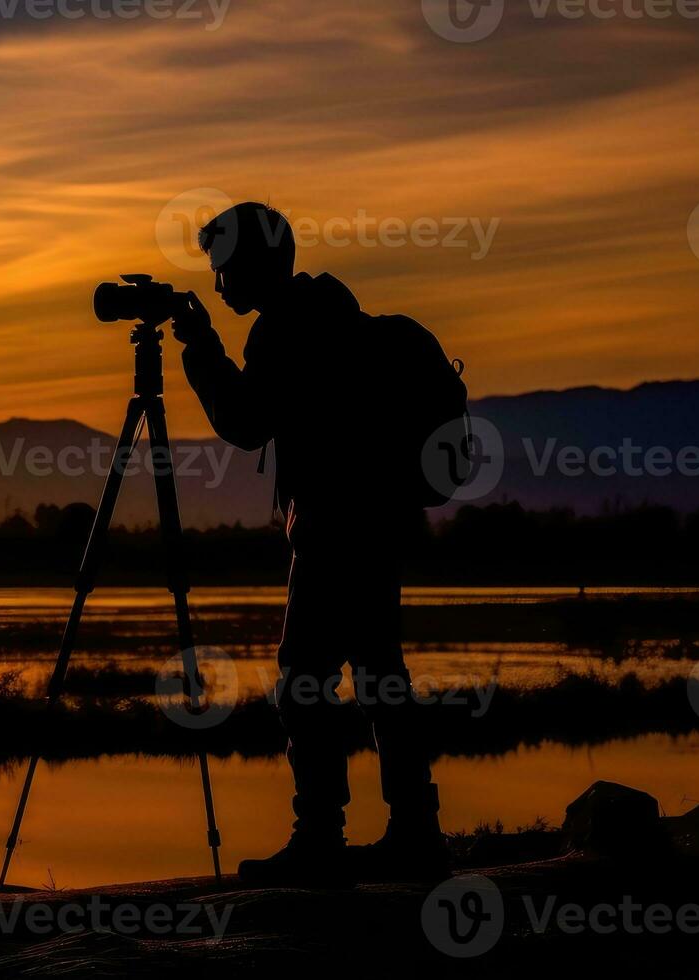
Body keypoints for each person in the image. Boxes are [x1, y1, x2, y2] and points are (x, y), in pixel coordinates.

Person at [166, 201, 448, 885]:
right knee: (381, 676)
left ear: (251, 265)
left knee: (302, 683)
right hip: (379, 522)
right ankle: (414, 830)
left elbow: (244, 423)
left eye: (223, 271)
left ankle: (319, 836)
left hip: (333, 529)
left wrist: (201, 349)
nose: (219, 285)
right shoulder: (337, 316)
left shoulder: (283, 329)